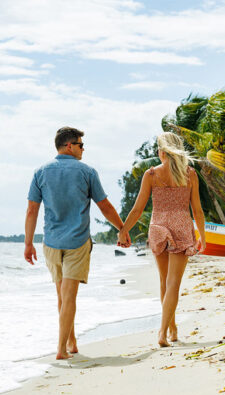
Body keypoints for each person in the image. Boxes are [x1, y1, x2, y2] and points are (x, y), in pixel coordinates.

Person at [24, 126, 131, 360]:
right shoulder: (87, 172)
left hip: (51, 242)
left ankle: (72, 343)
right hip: (77, 242)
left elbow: (32, 210)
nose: (84, 149)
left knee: (62, 297)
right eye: (81, 145)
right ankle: (61, 349)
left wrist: (28, 243)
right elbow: (104, 206)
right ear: (69, 145)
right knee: (69, 296)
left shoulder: (40, 171)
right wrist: (121, 228)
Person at [118, 132, 206, 347]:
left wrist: (123, 230)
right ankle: (163, 331)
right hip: (182, 226)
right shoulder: (190, 174)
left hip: (158, 226)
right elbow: (197, 210)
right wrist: (202, 235)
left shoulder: (151, 174)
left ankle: (171, 329)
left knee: (163, 281)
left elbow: (138, 209)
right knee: (173, 284)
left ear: (162, 151)